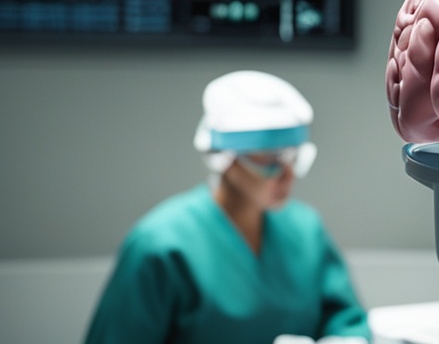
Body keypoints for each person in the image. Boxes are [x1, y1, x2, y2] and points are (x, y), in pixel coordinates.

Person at [85, 71, 371, 344]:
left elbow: (345, 318)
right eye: (270, 159)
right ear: (224, 158)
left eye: (295, 157)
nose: (287, 174)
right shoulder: (160, 246)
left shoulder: (305, 231)